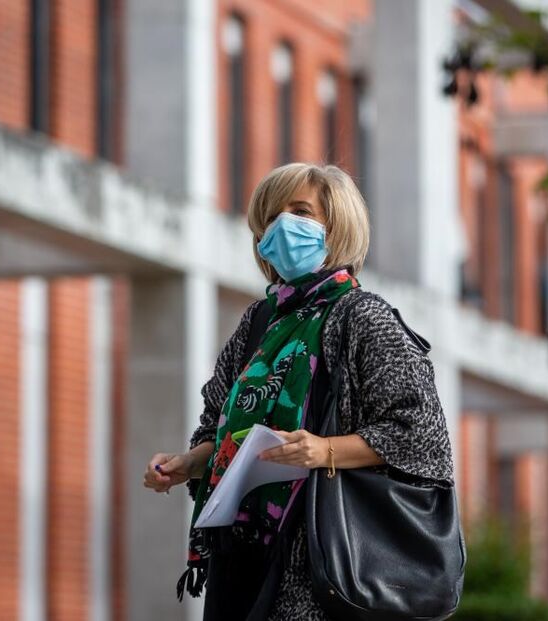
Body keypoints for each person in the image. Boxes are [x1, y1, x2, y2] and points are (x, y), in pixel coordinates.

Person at [143, 162, 455, 620]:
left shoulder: (364, 318)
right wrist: (186, 464)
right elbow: (219, 428)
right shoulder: (259, 322)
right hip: (243, 552)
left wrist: (323, 449)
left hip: (320, 556)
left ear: (337, 224)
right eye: (270, 217)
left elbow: (421, 434)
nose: (282, 225)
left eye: (301, 211)